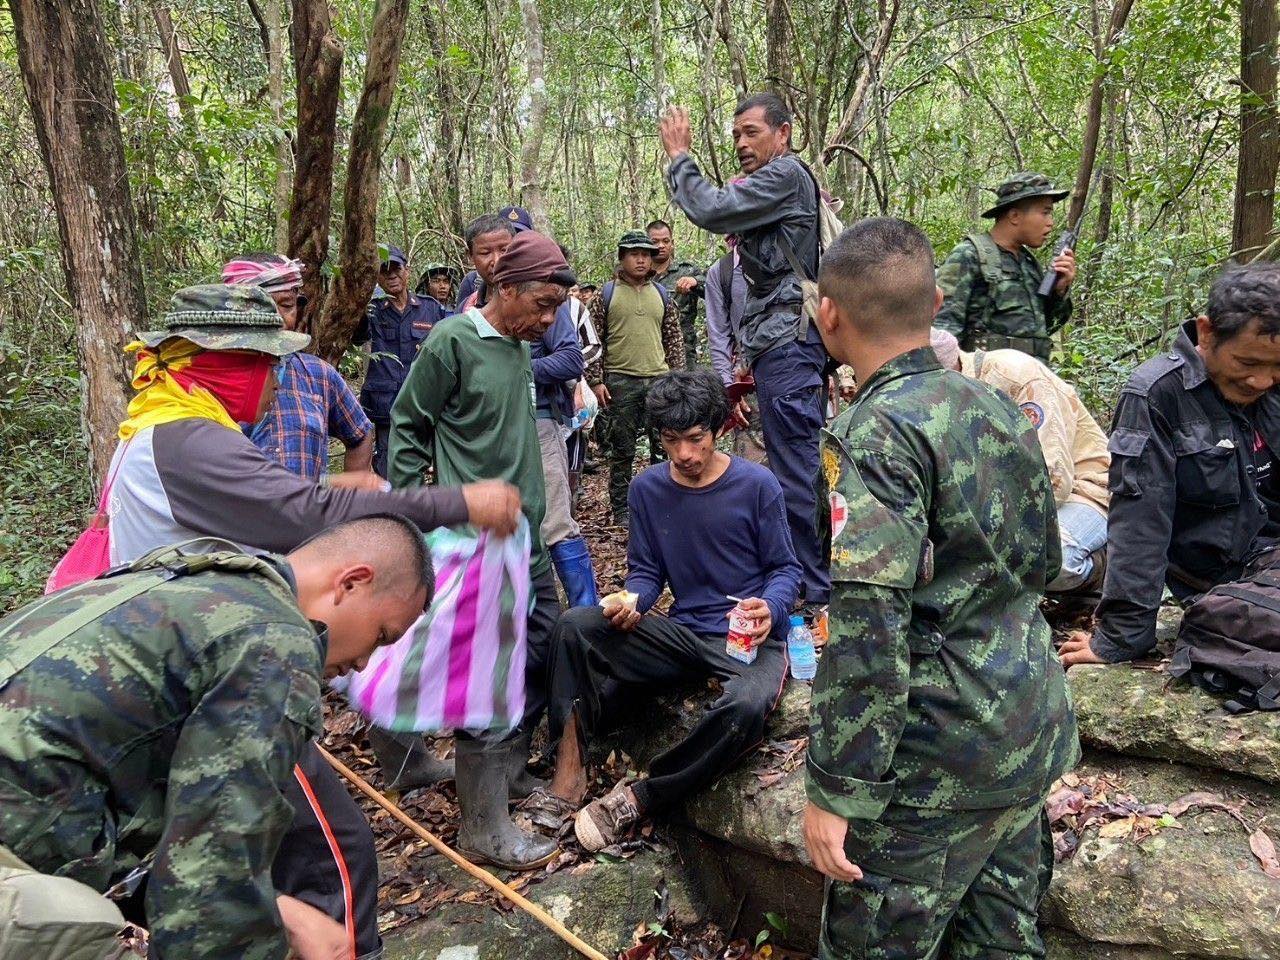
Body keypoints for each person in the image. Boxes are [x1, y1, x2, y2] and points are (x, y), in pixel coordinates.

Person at [104, 284, 523, 958]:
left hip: (175, 678)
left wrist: (332, 491)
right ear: (222, 364)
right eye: (265, 365)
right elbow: (303, 517)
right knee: (334, 853)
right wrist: (457, 503)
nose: (277, 379)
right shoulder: (183, 438)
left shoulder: (166, 431)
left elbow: (280, 510)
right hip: (214, 688)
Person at [803, 218, 1078, 959]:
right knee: (1003, 944)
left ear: (828, 312)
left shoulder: (875, 432)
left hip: (933, 763)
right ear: (936, 301)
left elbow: (868, 627)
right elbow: (1045, 562)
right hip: (1027, 725)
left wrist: (837, 789)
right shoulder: (994, 405)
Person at [0, 517, 431, 960]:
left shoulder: (178, 580)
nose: (363, 663)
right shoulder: (275, 642)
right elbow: (210, 890)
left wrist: (277, 907)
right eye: (381, 636)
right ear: (352, 583)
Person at [541, 369, 801, 851]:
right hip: (683, 632)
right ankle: (568, 764)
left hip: (747, 637)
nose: (684, 454)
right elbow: (646, 572)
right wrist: (634, 601)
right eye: (670, 441)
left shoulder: (757, 484)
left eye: (695, 438)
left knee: (745, 707)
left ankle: (640, 798)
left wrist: (772, 606)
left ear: (717, 430)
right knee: (574, 626)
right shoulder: (647, 490)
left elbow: (786, 569)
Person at [390, 230, 578, 869]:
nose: (548, 322)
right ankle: (484, 824)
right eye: (541, 307)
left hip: (527, 537)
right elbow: (410, 425)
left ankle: (509, 772)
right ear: (503, 289)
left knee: (540, 646)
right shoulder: (451, 343)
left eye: (556, 309)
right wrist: (415, 515)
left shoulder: (520, 347)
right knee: (482, 680)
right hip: (472, 544)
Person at [1059, 262, 1280, 668]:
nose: (1263, 381)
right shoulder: (1158, 395)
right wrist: (1122, 637)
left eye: (1277, 367)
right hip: (1231, 582)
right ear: (1208, 332)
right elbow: (1141, 523)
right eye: (1248, 364)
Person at [661, 94, 830, 611]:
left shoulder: (785, 176)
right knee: (792, 463)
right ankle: (803, 578)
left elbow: (712, 208)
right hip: (776, 345)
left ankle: (810, 588)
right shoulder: (778, 186)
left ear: (783, 133)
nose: (740, 143)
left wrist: (679, 159)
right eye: (735, 134)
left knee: (795, 468)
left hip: (790, 344)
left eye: (751, 132)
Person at [930, 327, 1110, 593]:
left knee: (1051, 560)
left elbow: (1053, 480)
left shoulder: (1014, 376)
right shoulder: (933, 404)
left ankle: (1106, 566)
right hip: (1002, 505)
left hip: (1085, 491)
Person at [222, 254, 376, 482]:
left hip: (307, 516)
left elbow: (360, 434)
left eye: (286, 306)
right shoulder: (208, 379)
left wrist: (349, 497)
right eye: (263, 307)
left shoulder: (319, 376)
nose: (277, 319)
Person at [585, 230, 685, 525]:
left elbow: (674, 340)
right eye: (634, 254)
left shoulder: (662, 294)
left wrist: (676, 379)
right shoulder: (607, 294)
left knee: (663, 445)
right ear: (622, 258)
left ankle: (663, 501)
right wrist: (596, 381)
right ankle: (621, 509)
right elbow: (593, 340)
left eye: (645, 254)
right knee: (623, 448)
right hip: (620, 380)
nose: (641, 260)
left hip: (659, 379)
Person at [934, 172, 1077, 362]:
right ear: (1015, 216)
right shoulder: (969, 255)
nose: (1050, 222)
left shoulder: (1028, 263)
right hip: (986, 384)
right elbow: (943, 332)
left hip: (1031, 380)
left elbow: (1044, 329)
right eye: (1045, 212)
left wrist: (1059, 291)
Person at [530, 270, 600, 606]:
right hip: (488, 427)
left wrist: (517, 368)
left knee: (556, 518)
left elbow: (572, 359)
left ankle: (585, 611)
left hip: (541, 418)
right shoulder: (472, 302)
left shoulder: (553, 308)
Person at [354, 243, 445, 478]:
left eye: (396, 269)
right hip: (387, 405)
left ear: (408, 271)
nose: (392, 276)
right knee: (388, 466)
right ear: (377, 276)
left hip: (424, 402)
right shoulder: (371, 309)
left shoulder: (430, 308)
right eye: (385, 271)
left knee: (434, 464)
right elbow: (357, 337)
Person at [648, 219, 704, 369]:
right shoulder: (639, 275)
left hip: (683, 351)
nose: (661, 246)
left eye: (665, 241)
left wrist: (695, 282)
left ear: (672, 243)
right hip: (649, 353)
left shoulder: (686, 270)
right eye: (655, 241)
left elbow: (714, 289)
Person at [456, 205, 533, 309]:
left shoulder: (541, 301)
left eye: (504, 250)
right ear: (470, 256)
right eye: (485, 253)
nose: (497, 261)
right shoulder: (467, 305)